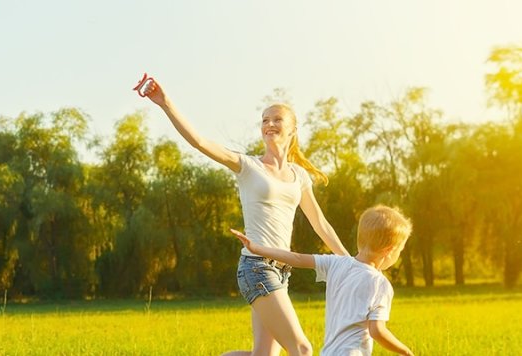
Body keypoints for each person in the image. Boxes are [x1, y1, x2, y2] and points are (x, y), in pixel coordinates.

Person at [136, 76, 351, 356]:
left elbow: (320, 223)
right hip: (256, 268)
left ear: (293, 129)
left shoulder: (300, 176)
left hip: (281, 270)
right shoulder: (248, 166)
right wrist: (166, 103)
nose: (269, 124)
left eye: (276, 119)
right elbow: (200, 142)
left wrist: (351, 263)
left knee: (262, 355)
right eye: (264, 120)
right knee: (302, 349)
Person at [232, 205, 415, 356]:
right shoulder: (380, 284)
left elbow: (296, 258)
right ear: (389, 250)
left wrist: (258, 249)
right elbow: (377, 331)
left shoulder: (336, 263)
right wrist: (405, 351)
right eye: (400, 251)